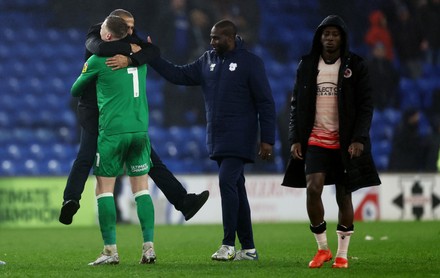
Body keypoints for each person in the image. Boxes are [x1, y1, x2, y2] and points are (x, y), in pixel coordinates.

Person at [59, 9, 209, 226]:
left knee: (150, 160)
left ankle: (183, 201)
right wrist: (133, 51)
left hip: (121, 111)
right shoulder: (97, 32)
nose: (131, 31)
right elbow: (99, 47)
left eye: (132, 28)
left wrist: (131, 59)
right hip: (95, 110)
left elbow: (153, 51)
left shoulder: (128, 38)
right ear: (114, 25)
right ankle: (71, 199)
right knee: (86, 156)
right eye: (126, 27)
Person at [148, 19, 276, 261]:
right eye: (211, 37)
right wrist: (152, 57)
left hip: (241, 136)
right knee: (237, 187)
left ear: (230, 38)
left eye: (216, 38)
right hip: (217, 137)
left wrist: (267, 139)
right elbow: (177, 74)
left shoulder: (250, 63)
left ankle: (228, 244)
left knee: (227, 181)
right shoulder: (207, 61)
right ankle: (248, 249)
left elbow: (265, 102)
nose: (211, 41)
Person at [281, 15, 381, 269]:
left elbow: (366, 105)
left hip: (345, 142)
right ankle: (322, 248)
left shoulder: (355, 65)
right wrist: (295, 138)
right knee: (313, 188)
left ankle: (342, 254)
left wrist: (359, 138)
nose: (330, 38)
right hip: (315, 139)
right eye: (326, 34)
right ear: (319, 37)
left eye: (335, 34)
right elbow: (295, 105)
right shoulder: (307, 64)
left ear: (342, 37)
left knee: (344, 197)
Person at [71, 15, 155, 265]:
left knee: (104, 189)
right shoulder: (141, 57)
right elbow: (150, 53)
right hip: (140, 130)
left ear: (108, 36)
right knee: (141, 189)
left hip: (113, 132)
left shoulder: (99, 60)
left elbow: (75, 90)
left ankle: (110, 251)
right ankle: (149, 247)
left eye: (104, 32)